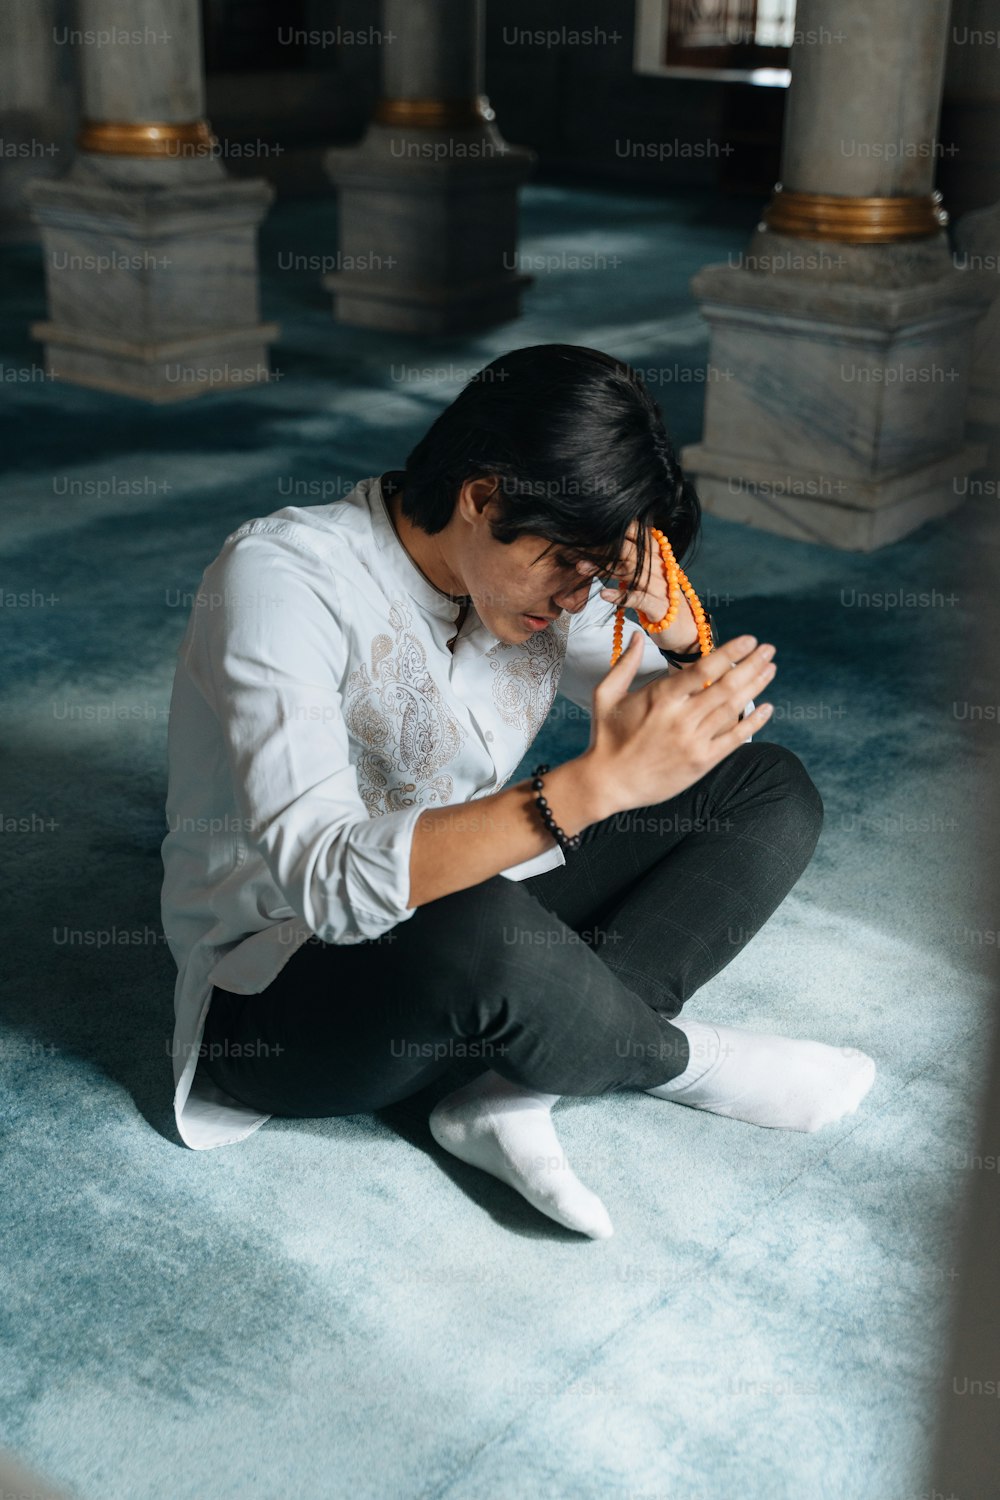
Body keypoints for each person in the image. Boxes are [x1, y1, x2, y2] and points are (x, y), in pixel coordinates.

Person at [160, 343, 875, 1239]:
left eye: (600, 573)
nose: (580, 600)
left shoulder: (529, 580)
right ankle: (677, 1060)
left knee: (763, 787)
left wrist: (685, 642)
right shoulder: (279, 578)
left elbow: (671, 740)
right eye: (569, 564)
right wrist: (582, 791)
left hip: (485, 927)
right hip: (278, 990)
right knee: (470, 923)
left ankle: (511, 1087)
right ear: (483, 494)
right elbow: (331, 887)